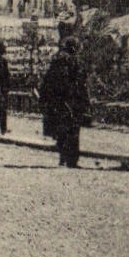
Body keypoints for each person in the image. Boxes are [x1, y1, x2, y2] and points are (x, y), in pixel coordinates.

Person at [39, 34, 91, 168]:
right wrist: (85, 101)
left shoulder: (56, 60)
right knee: (73, 131)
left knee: (61, 130)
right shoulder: (74, 62)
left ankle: (63, 157)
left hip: (57, 101)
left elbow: (47, 82)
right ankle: (72, 160)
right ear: (74, 48)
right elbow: (80, 83)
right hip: (72, 101)